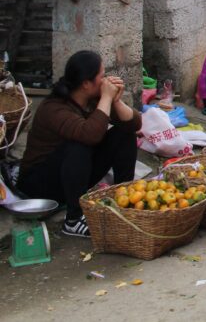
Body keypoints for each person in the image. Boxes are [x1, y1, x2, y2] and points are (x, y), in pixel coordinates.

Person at [17, 51, 141, 238]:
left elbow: (133, 124)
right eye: (101, 76)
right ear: (85, 84)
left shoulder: (92, 99)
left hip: (72, 175)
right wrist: (106, 98)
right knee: (79, 145)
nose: (106, 80)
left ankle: (124, 199)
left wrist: (115, 101)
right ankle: (73, 220)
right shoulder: (53, 108)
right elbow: (90, 135)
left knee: (124, 135)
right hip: (39, 183)